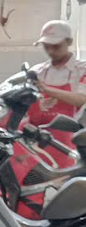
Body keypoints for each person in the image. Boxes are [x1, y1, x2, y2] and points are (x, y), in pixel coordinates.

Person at [26, 20, 85, 166]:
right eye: (46, 47)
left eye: (56, 46)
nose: (51, 51)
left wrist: (46, 89)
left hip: (70, 141)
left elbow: (81, 99)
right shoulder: (37, 71)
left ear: (69, 42)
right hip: (38, 140)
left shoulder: (82, 70)